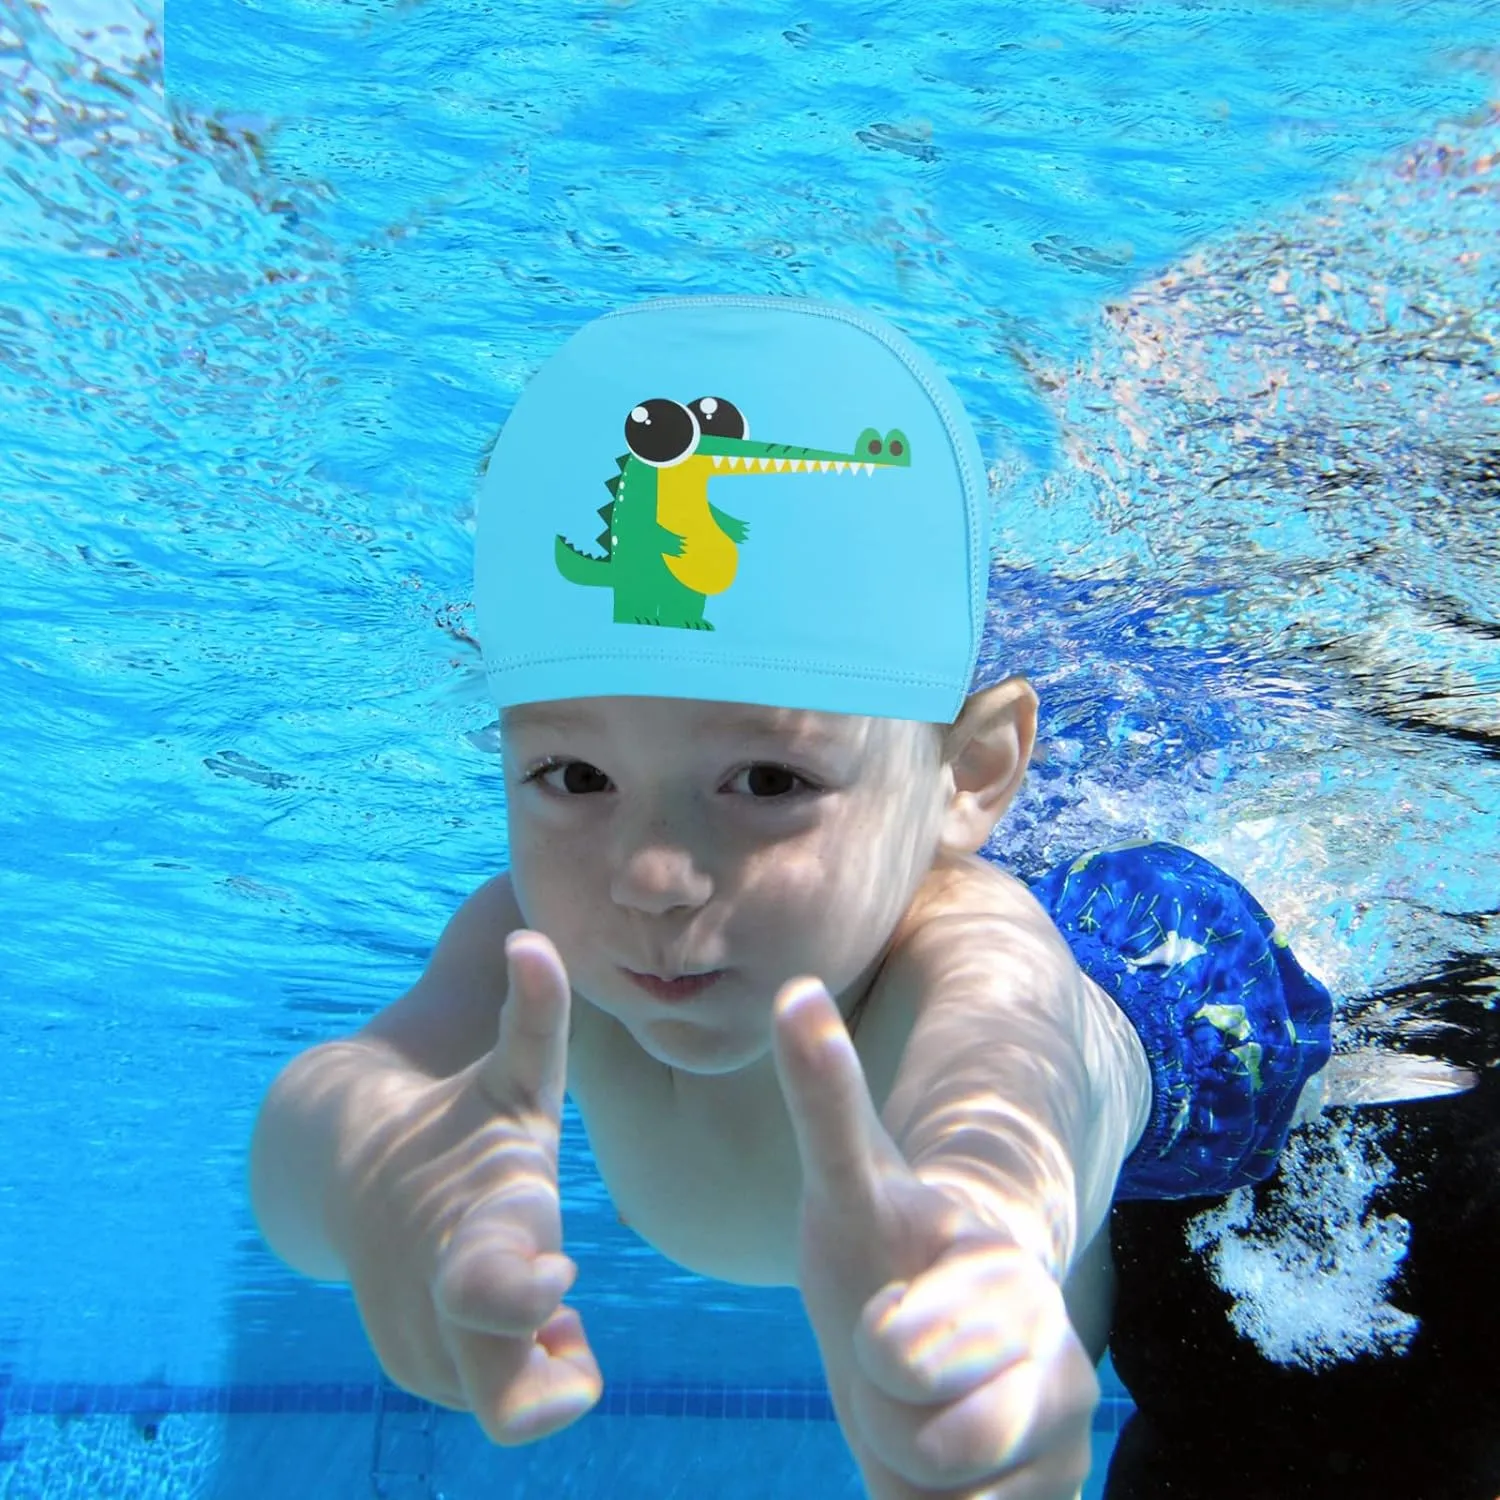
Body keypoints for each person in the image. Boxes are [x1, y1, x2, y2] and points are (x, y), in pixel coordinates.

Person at [248, 296, 1331, 1499]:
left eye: (768, 781)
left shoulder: (973, 952)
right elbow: (333, 1107)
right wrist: (372, 1172)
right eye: (576, 776)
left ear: (970, 776)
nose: (651, 874)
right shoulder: (534, 943)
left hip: (1180, 1012)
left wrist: (983, 1253)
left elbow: (1012, 1090)